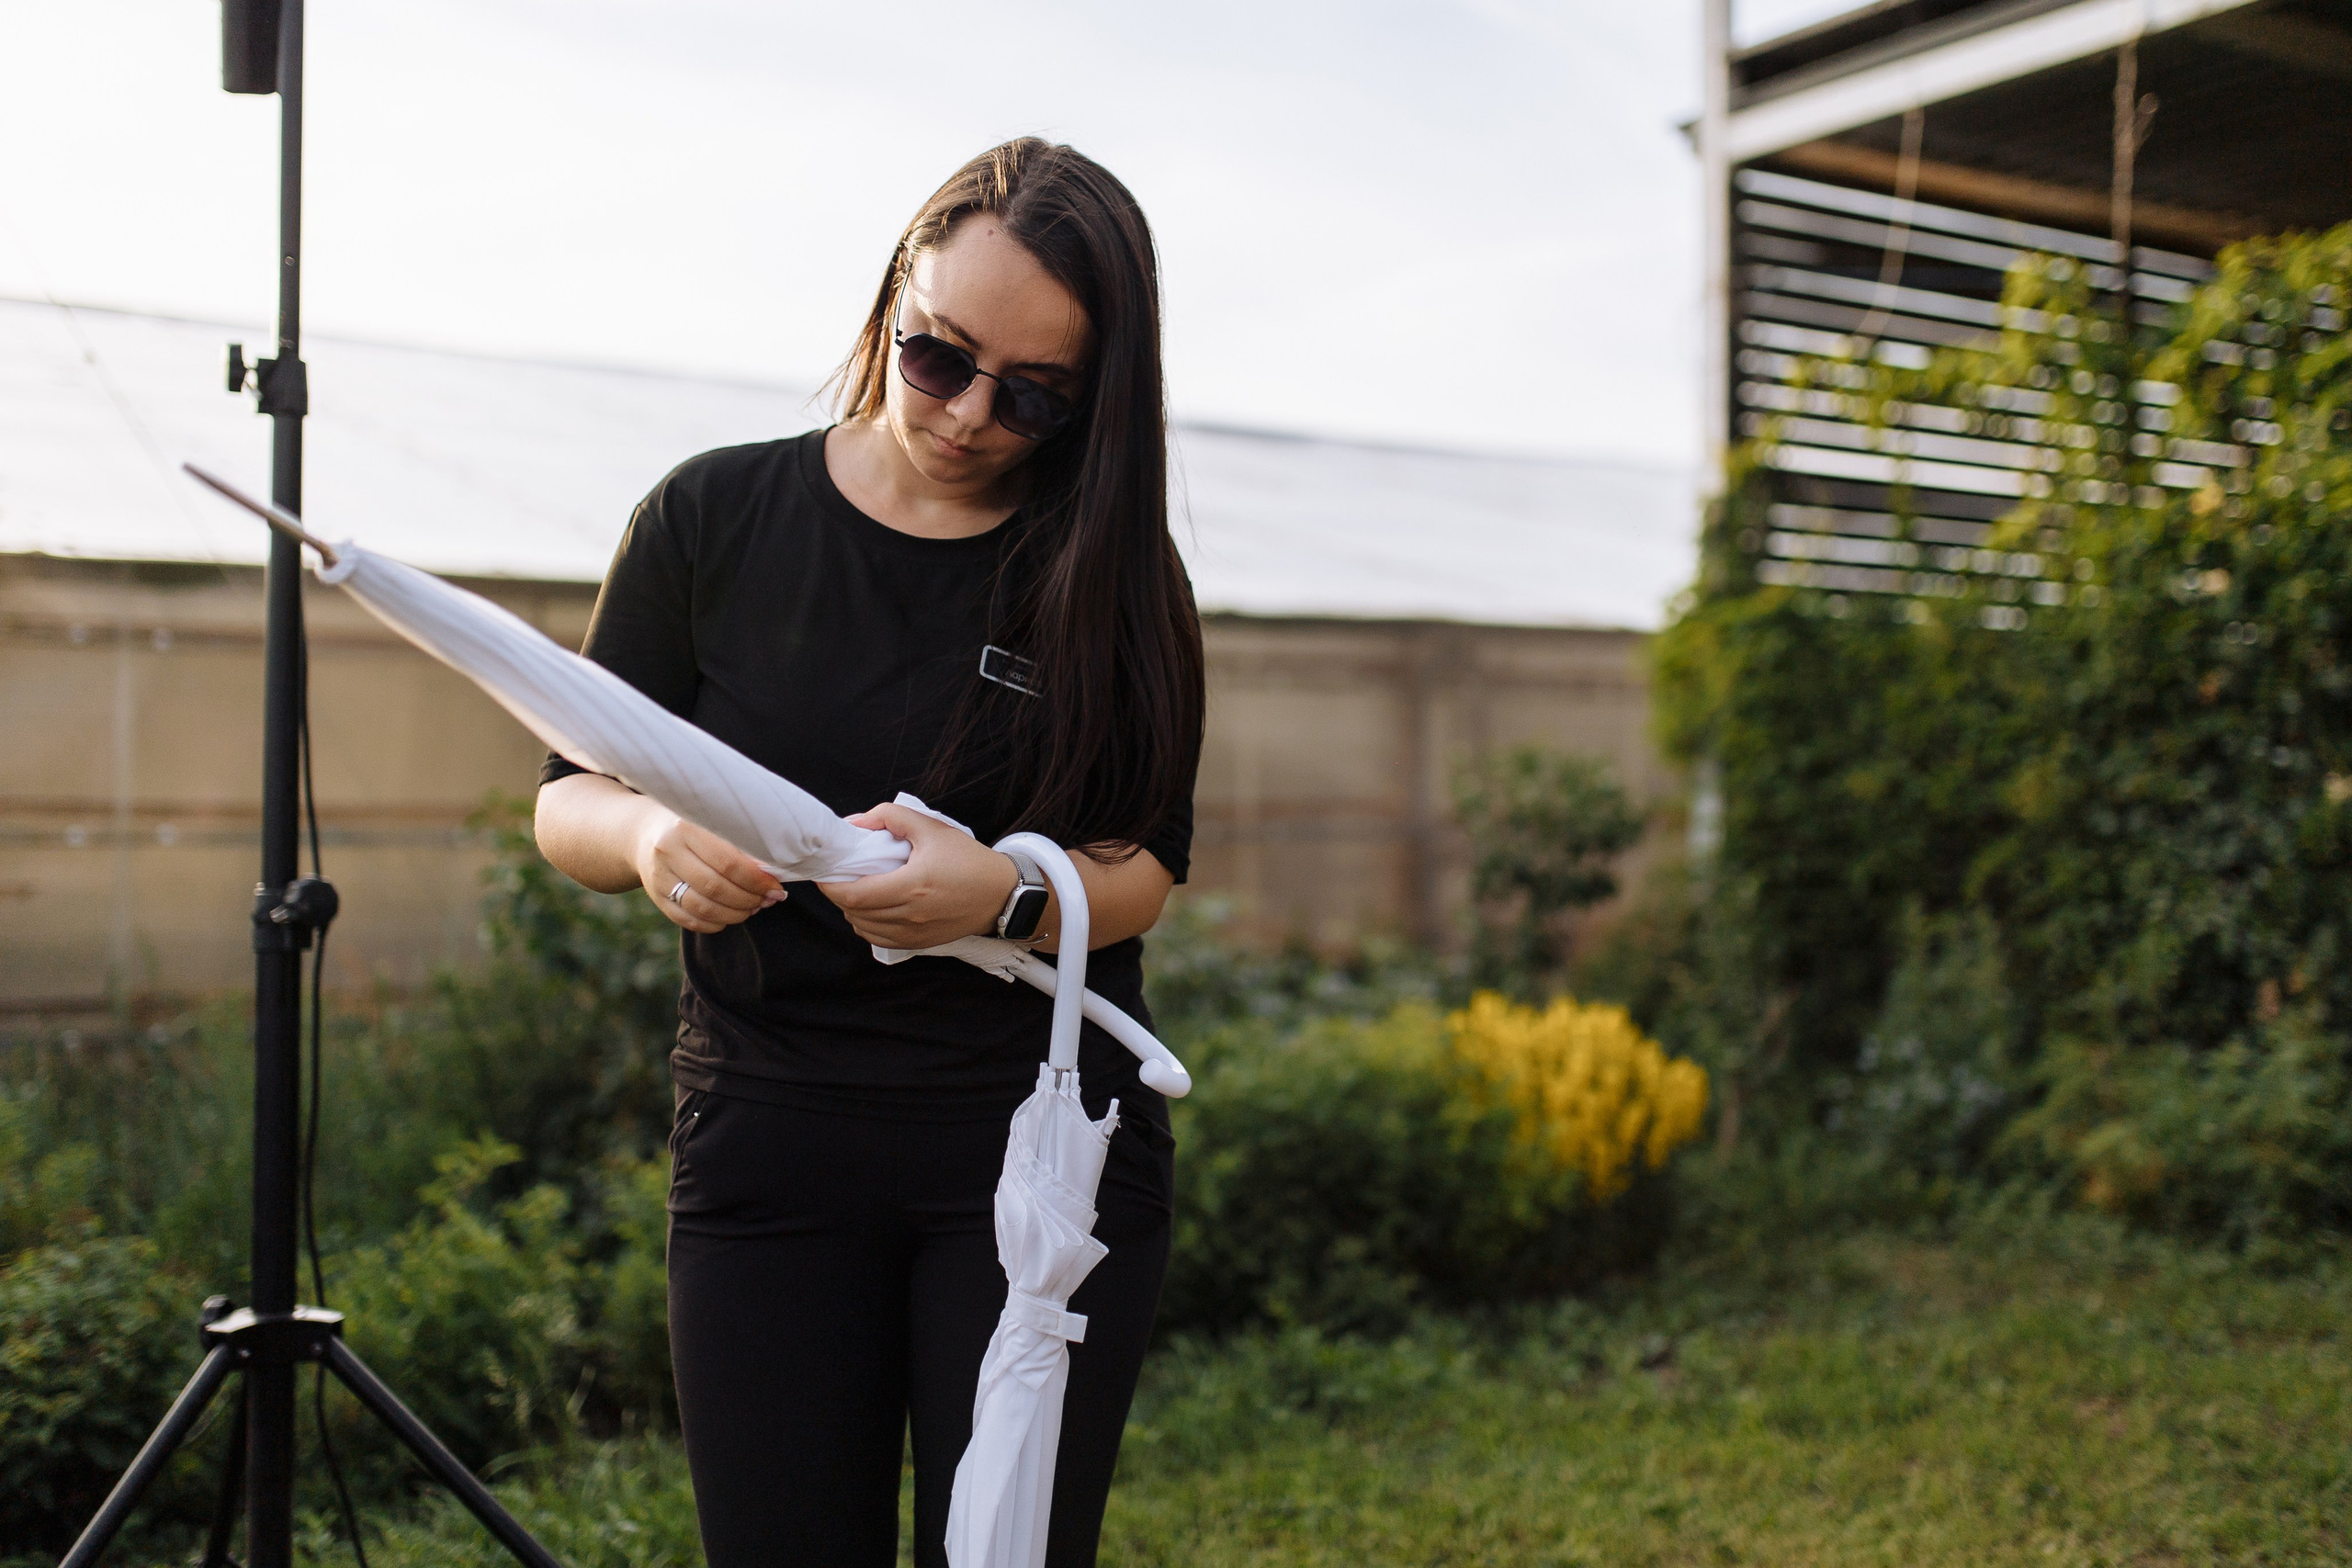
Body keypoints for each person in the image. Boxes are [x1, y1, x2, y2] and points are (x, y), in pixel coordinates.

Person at [531, 137, 1204, 1567]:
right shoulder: (714, 518)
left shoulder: (1117, 574)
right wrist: (653, 838)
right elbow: (564, 798)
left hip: (1027, 1154)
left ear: (1096, 401)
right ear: (893, 294)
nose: (968, 416)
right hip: (768, 1145)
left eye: (1033, 395)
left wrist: (1006, 890)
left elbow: (1146, 862)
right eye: (938, 357)